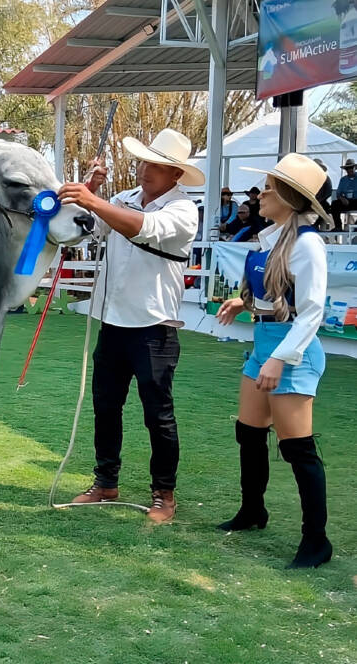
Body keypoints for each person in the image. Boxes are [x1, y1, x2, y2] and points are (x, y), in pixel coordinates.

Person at [59, 128, 204, 523]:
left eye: (157, 166)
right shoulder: (121, 199)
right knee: (106, 407)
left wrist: (96, 202)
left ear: (176, 175)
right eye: (144, 162)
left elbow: (145, 229)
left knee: (157, 414)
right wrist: (89, 194)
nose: (146, 170)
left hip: (155, 326)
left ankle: (164, 493)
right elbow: (88, 227)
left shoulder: (184, 210)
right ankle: (105, 482)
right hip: (113, 321)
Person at [215, 153, 333, 569]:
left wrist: (282, 359)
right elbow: (272, 294)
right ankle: (252, 511)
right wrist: (241, 302)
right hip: (266, 343)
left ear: (290, 196)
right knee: (248, 433)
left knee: (297, 448)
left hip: (291, 352)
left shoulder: (307, 244)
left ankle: (316, 541)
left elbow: (312, 311)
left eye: (269, 187)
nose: (260, 194)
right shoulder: (274, 237)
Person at [330, 158, 357, 231]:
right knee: (334, 204)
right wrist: (342, 198)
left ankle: (356, 226)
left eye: (351, 168)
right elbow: (338, 193)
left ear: (355, 168)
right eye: (347, 168)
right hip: (346, 201)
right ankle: (338, 226)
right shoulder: (343, 179)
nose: (349, 170)